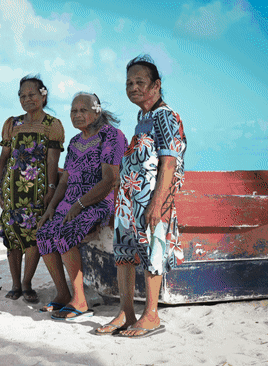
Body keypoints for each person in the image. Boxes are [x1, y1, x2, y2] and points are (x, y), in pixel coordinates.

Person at [96, 54, 187, 337]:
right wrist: (120, 204)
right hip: (128, 201)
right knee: (124, 254)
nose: (133, 87)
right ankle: (126, 312)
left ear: (156, 85)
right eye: (129, 82)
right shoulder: (142, 116)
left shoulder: (166, 116)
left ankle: (151, 316)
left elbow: (169, 162)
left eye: (140, 82)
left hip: (151, 201)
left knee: (152, 253)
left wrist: (157, 204)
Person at [36, 92, 127, 319]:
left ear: (97, 111)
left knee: (66, 233)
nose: (77, 115)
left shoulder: (112, 137)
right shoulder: (76, 142)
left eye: (83, 110)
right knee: (44, 233)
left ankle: (80, 301)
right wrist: (51, 208)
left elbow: (109, 180)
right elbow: (65, 180)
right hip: (71, 203)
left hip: (99, 202)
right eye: (73, 110)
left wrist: (79, 205)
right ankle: (63, 294)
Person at [0, 75, 65, 304]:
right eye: (22, 96)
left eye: (32, 95)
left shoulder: (52, 125)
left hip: (38, 192)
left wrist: (51, 189)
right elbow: (4, 158)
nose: (27, 99)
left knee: (34, 237)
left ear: (43, 95)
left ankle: (27, 283)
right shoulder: (12, 124)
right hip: (11, 193)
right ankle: (15, 284)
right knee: (12, 235)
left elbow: (52, 162)